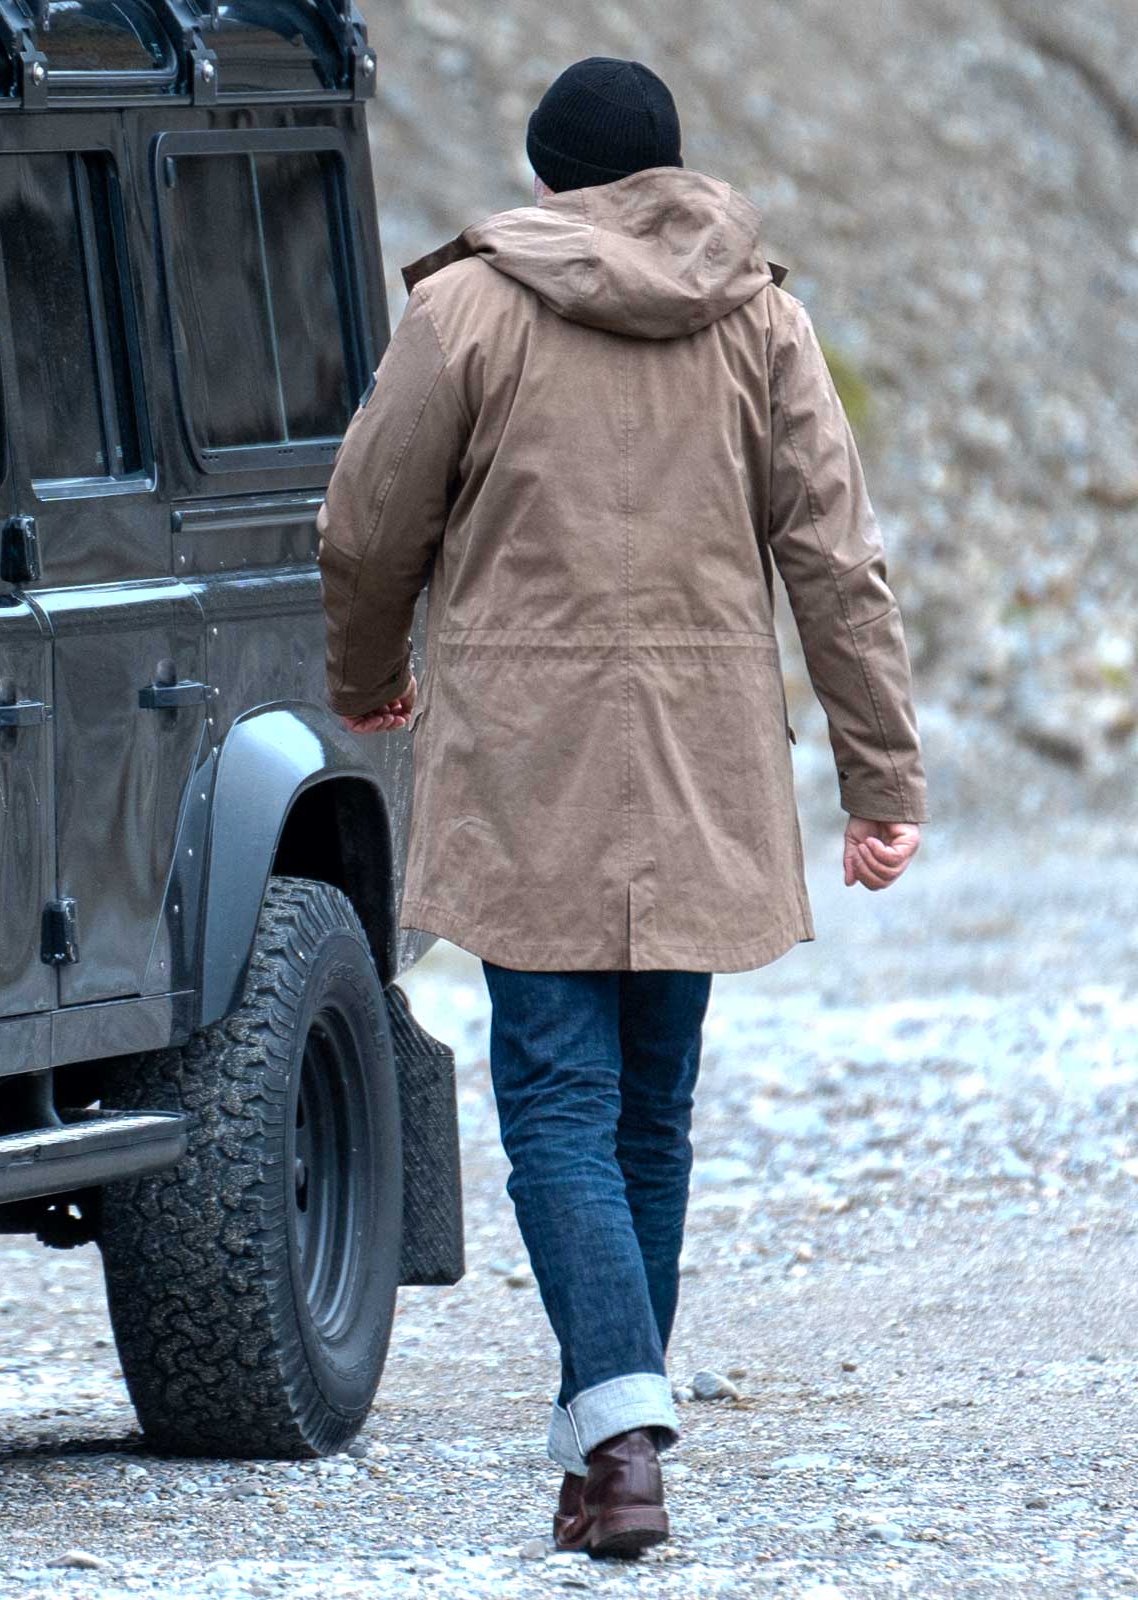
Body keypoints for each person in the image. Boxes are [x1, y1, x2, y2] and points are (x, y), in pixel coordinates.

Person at [316, 55, 929, 1559]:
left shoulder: (468, 308)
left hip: (532, 763)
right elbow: (835, 565)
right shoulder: (761, 318)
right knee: (650, 1114)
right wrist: (881, 779)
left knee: (560, 1113)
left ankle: (623, 1439)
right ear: (674, 176)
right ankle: (614, 1451)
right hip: (706, 763)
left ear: (545, 181)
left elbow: (364, 519)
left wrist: (368, 671)